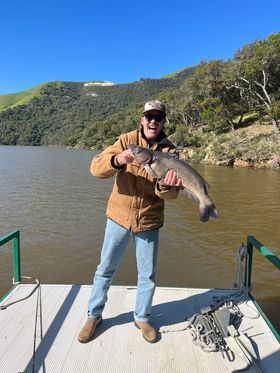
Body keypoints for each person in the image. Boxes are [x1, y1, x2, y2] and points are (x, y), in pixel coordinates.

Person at [78, 100, 182, 344]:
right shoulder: (126, 141)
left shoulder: (170, 152)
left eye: (158, 117)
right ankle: (94, 315)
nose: (153, 121)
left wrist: (166, 186)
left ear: (163, 121)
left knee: (147, 275)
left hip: (150, 220)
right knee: (105, 269)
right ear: (142, 119)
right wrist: (118, 160)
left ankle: (142, 317)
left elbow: (171, 194)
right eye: (149, 116)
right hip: (118, 217)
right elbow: (96, 168)